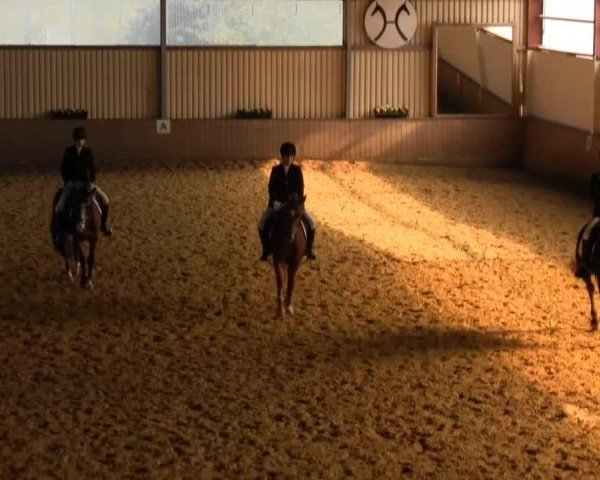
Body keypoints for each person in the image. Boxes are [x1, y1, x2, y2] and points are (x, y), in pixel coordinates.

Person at [258, 141, 317, 261]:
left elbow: (300, 189)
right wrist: (275, 201)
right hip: (277, 204)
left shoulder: (297, 170)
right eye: (286, 156)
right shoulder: (276, 170)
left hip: (294, 205)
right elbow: (271, 188)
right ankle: (266, 249)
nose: (289, 158)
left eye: (291, 156)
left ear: (293, 157)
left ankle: (310, 248)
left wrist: (296, 202)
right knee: (261, 223)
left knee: (312, 222)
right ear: (282, 156)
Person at [54, 127, 112, 236]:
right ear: (75, 140)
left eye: (82, 139)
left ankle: (104, 224)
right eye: (78, 139)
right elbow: (64, 168)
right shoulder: (69, 152)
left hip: (86, 183)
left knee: (105, 200)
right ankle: (59, 228)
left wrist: (93, 180)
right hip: (72, 183)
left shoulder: (88, 152)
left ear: (84, 140)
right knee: (59, 205)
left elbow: (92, 168)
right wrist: (67, 180)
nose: (80, 141)